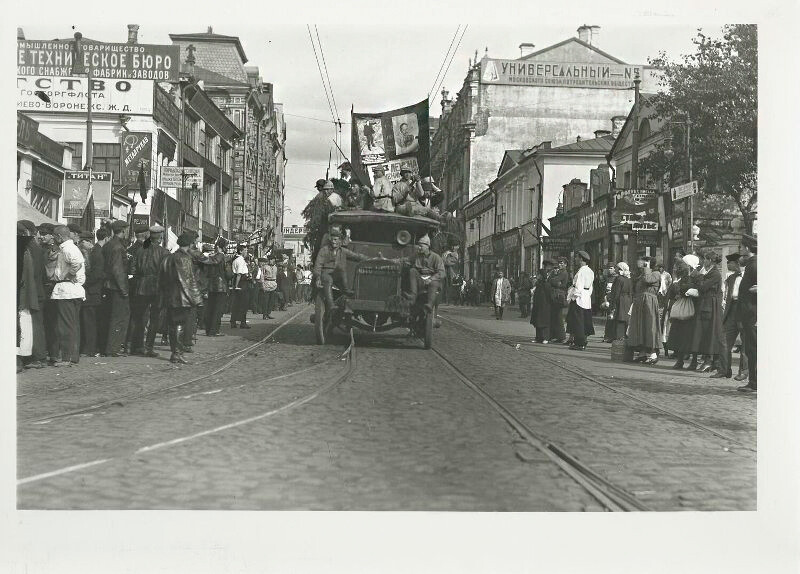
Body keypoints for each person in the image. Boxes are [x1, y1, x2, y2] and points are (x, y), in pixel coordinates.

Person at [160, 232, 202, 364]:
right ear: (190, 244)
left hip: (170, 295)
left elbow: (162, 278)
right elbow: (188, 280)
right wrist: (196, 298)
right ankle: (177, 353)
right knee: (180, 324)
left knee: (173, 324)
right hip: (182, 297)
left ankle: (175, 352)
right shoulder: (185, 259)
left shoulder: (169, 257)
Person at [128, 225, 169, 357]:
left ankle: (134, 346)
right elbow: (166, 272)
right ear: (161, 238)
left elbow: (132, 270)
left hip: (141, 286)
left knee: (138, 317)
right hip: (156, 287)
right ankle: (148, 347)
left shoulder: (139, 250)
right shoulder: (164, 252)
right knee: (155, 318)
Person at [49, 225, 86, 366]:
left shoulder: (67, 248)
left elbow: (76, 263)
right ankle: (72, 356)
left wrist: (68, 275)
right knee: (73, 324)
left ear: (59, 236)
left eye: (54, 236)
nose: (53, 238)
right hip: (72, 291)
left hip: (66, 291)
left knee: (65, 325)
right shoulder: (69, 247)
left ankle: (66, 358)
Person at [686, 250, 725, 374]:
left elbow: (703, 287)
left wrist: (697, 276)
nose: (704, 261)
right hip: (704, 304)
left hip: (710, 306)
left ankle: (709, 361)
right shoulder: (707, 272)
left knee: (709, 333)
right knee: (701, 333)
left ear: (711, 261)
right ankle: (705, 361)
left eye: (706, 259)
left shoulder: (715, 274)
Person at [712, 253, 749, 380]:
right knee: (724, 341)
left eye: (730, 263)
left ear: (737, 263)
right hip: (731, 310)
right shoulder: (731, 277)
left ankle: (743, 372)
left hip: (744, 310)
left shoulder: (749, 276)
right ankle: (724, 370)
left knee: (745, 343)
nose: (728, 265)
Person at [314, 226, 368, 312]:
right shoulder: (324, 250)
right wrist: (317, 277)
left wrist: (368, 259)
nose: (333, 242)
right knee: (328, 281)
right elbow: (318, 264)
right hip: (326, 273)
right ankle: (331, 305)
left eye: (336, 240)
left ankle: (346, 291)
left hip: (337, 274)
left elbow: (356, 256)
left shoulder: (343, 251)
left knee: (342, 270)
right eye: (332, 239)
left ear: (340, 241)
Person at [17, 220, 47, 369]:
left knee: (32, 325)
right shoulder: (36, 246)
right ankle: (37, 357)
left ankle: (37, 357)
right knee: (35, 324)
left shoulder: (28, 247)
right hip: (36, 290)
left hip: (31, 291)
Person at [394, 234, 445, 313]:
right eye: (418, 246)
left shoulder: (436, 257)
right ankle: (412, 296)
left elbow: (442, 273)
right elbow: (405, 259)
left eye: (421, 246)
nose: (419, 248)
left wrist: (431, 279)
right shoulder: (416, 256)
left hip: (432, 281)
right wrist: (394, 260)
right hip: (420, 280)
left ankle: (429, 304)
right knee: (412, 271)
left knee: (434, 283)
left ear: (427, 246)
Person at [627, 255, 662, 364]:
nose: (641, 263)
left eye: (644, 262)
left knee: (649, 326)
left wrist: (646, 268)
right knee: (639, 327)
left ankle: (652, 354)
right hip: (640, 302)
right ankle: (642, 353)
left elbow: (648, 280)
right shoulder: (642, 274)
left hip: (649, 302)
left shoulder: (656, 274)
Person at [102, 220, 130, 357]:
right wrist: (124, 290)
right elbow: (117, 270)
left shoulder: (108, 245)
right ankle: (113, 348)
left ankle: (108, 346)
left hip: (108, 286)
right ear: (123, 230)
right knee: (119, 318)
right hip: (117, 287)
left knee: (109, 316)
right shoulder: (118, 247)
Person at [736, 235, 757, 392]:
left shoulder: (755, 265)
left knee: (753, 348)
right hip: (749, 314)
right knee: (751, 348)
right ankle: (753, 382)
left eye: (741, 247)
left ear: (748, 248)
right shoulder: (751, 264)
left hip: (753, 314)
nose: (740, 250)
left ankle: (754, 383)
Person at [199, 238, 232, 336]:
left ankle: (209, 329)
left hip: (211, 286)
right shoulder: (223, 257)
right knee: (218, 310)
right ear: (223, 247)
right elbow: (229, 274)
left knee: (210, 308)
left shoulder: (210, 257)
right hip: (221, 286)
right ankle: (214, 330)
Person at [566, 251, 595, 351]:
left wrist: (573, 297)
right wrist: (587, 295)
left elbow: (578, 286)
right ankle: (583, 341)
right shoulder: (590, 271)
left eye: (577, 258)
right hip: (586, 298)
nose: (575, 259)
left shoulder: (581, 272)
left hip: (579, 299)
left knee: (578, 321)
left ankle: (579, 343)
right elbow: (590, 287)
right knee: (585, 320)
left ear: (581, 259)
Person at [607, 262, 633, 341]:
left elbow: (616, 293)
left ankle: (618, 341)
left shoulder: (619, 279)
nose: (616, 269)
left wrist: (613, 305)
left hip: (620, 301)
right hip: (627, 301)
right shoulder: (629, 279)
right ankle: (624, 339)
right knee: (625, 320)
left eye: (617, 268)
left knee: (618, 320)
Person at [548, 257, 570, 343]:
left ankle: (561, 336)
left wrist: (555, 282)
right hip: (555, 296)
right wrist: (555, 281)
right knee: (554, 316)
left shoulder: (564, 273)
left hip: (559, 296)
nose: (560, 264)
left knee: (558, 316)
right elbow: (550, 280)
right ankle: (555, 335)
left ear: (565, 264)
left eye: (562, 263)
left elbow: (553, 281)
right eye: (559, 263)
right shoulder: (557, 272)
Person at [530, 262, 553, 342]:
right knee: (537, 322)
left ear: (542, 276)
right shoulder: (538, 284)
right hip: (538, 305)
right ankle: (538, 337)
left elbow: (550, 295)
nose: (538, 276)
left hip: (545, 306)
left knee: (544, 322)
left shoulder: (546, 285)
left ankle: (545, 338)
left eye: (539, 275)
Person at [230, 245, 251, 329]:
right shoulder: (241, 260)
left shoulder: (235, 260)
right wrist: (237, 285)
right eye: (245, 250)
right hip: (242, 283)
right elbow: (239, 274)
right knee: (244, 304)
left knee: (236, 304)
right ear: (241, 251)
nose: (246, 252)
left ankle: (233, 321)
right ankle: (243, 322)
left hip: (238, 281)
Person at [601, 263, 618, 342]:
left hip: (614, 299)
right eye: (608, 268)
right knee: (609, 318)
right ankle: (607, 335)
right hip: (607, 299)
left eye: (611, 268)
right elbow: (604, 290)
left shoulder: (617, 278)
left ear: (615, 269)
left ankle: (612, 335)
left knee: (613, 318)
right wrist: (604, 299)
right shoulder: (607, 278)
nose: (609, 270)